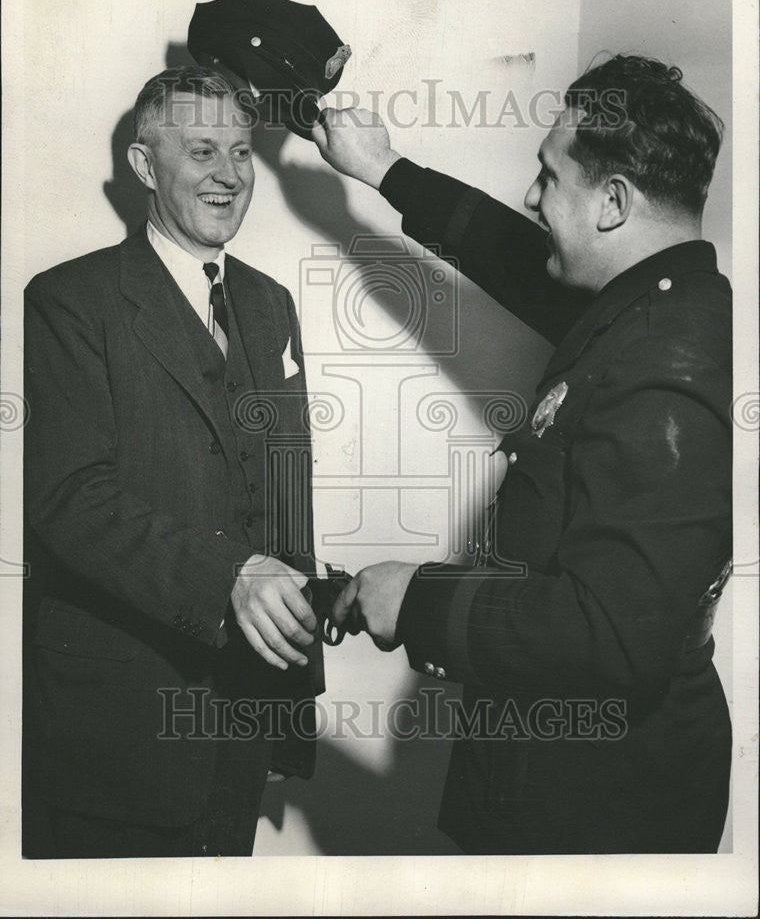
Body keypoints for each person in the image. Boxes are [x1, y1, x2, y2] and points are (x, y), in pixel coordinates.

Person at [312, 54, 732, 854]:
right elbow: (515, 254)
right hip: (570, 779)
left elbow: (612, 637)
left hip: (595, 808)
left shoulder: (665, 369)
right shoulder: (650, 305)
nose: (532, 198)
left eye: (548, 177)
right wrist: (380, 168)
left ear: (613, 202)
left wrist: (418, 600)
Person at [23, 66, 322, 858]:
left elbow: (289, 500)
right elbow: (69, 500)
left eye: (241, 151)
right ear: (145, 166)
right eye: (200, 151)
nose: (228, 175)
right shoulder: (67, 301)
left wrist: (292, 711)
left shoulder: (268, 304)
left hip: (244, 722)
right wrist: (228, 577)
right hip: (119, 735)